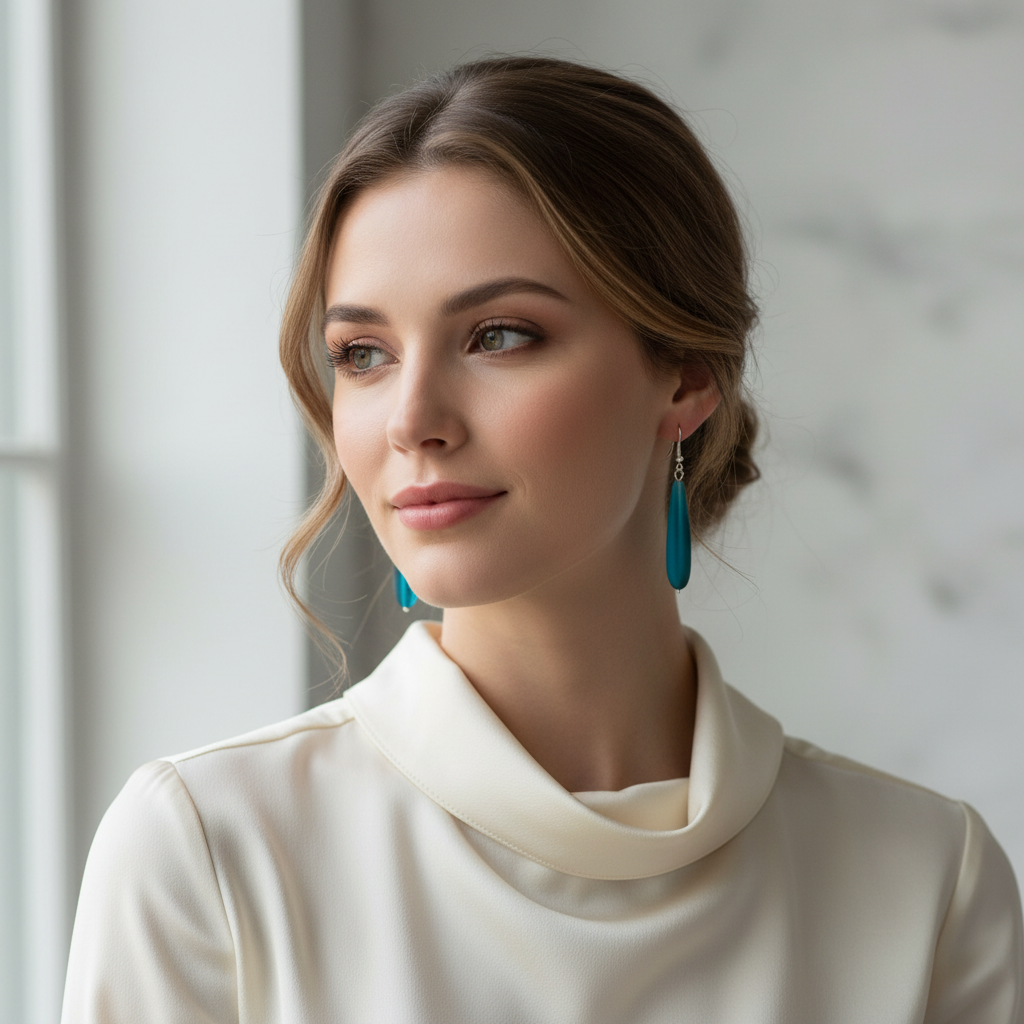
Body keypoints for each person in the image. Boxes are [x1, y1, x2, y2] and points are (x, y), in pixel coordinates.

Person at [62, 55, 1022, 1022]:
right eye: (363, 354)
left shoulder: (926, 879)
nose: (412, 419)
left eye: (500, 336)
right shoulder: (212, 852)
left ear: (685, 375)